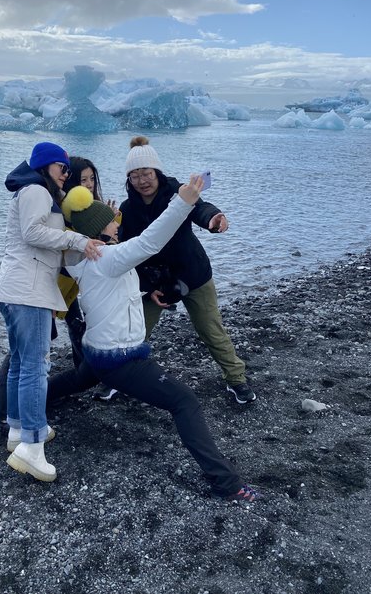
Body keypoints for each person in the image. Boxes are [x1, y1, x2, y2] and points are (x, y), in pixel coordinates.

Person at [47, 178, 257, 501]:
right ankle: (226, 484)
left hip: (98, 353)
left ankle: (24, 403)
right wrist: (183, 202)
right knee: (184, 401)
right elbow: (149, 242)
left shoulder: (81, 260)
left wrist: (148, 288)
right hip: (122, 359)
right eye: (112, 227)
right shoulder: (108, 259)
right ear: (97, 235)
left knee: (78, 379)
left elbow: (117, 284)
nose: (118, 229)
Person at [0, 141, 103, 483]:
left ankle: (17, 431)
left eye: (68, 171)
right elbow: (33, 233)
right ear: (45, 166)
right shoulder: (36, 190)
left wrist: (87, 243)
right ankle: (33, 446)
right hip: (29, 293)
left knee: (22, 365)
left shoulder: (38, 193)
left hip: (17, 290)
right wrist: (76, 240)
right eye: (63, 169)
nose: (66, 176)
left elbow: (53, 249)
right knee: (35, 368)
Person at [118, 136, 256, 405]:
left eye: (146, 173)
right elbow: (127, 252)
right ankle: (119, 378)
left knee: (210, 329)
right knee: (134, 331)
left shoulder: (177, 193)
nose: (141, 181)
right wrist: (147, 286)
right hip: (156, 281)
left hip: (193, 274)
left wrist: (214, 218)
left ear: (156, 172)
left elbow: (199, 208)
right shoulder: (128, 209)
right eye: (134, 176)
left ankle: (236, 379)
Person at [61, 156, 119, 401]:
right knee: (74, 324)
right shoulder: (64, 213)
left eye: (92, 179)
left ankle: (87, 373)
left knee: (85, 325)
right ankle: (85, 373)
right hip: (65, 281)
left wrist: (113, 221)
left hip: (86, 281)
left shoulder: (92, 207)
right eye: (82, 180)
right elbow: (81, 254)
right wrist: (106, 231)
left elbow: (109, 244)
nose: (89, 185)